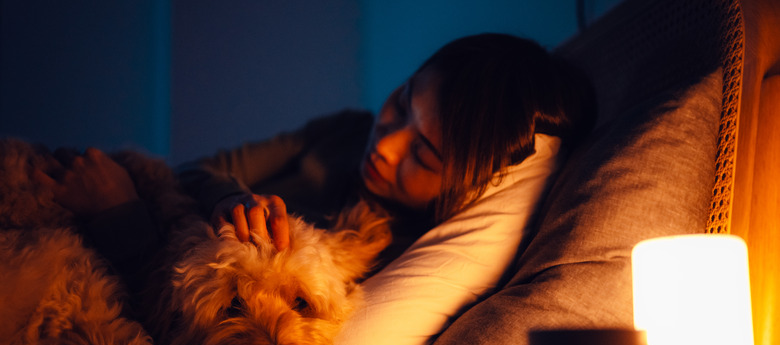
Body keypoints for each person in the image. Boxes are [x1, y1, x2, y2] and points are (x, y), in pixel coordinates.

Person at [35, 33, 595, 285]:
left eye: (423, 153)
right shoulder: (346, 131)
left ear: (468, 185)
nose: (387, 142)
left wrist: (118, 213)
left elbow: (197, 320)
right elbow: (197, 169)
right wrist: (231, 197)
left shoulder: (392, 253)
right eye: (402, 102)